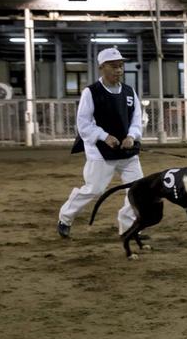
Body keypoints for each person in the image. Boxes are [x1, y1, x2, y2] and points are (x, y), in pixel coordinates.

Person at [57, 47, 144, 239]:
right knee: (94, 189)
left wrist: (132, 135)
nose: (119, 70)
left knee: (137, 190)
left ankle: (128, 227)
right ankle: (65, 218)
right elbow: (83, 124)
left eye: (121, 66)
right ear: (101, 68)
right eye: (113, 66)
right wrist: (104, 136)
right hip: (100, 152)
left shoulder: (130, 92)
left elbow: (137, 119)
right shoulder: (91, 92)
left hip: (127, 152)